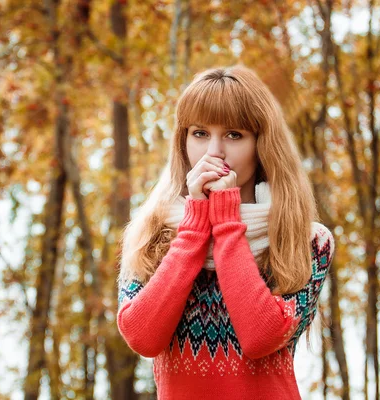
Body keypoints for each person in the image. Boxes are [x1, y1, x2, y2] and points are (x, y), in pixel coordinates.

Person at [116, 65, 335, 399]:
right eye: (200, 133)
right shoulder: (150, 233)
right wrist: (195, 225)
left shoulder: (308, 240)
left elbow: (260, 336)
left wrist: (226, 223)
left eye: (234, 135)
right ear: (183, 141)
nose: (213, 152)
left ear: (262, 145)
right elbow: (142, 337)